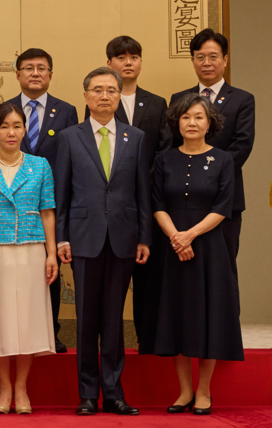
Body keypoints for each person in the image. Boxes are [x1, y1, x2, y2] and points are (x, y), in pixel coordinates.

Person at [55, 67, 151, 417]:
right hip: (82, 238)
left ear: (119, 95)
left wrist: (144, 236)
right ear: (86, 96)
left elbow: (142, 192)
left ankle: (113, 393)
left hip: (124, 238)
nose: (105, 96)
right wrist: (61, 237)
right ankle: (86, 394)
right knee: (86, 319)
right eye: (98, 90)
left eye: (112, 90)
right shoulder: (69, 137)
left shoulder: (135, 137)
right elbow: (61, 192)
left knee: (113, 318)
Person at [140, 93, 243, 415]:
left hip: (209, 247)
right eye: (186, 118)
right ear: (177, 123)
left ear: (209, 122)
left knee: (206, 316)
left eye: (199, 117)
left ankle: (203, 391)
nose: (192, 123)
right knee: (177, 316)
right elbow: (156, 204)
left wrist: (191, 235)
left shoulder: (224, 160)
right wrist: (175, 237)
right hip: (171, 248)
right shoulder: (164, 160)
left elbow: (223, 207)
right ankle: (184, 391)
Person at [0, 102, 58, 415]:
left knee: (28, 322)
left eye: (17, 125)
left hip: (32, 249)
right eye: (4, 126)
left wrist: (51, 253)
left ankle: (21, 387)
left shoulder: (41, 165)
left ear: (24, 130)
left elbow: (48, 211)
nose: (11, 132)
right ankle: (4, 387)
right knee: (0, 321)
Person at [95, 36, 170, 347]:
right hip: (107, 205)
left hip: (147, 202)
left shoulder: (156, 103)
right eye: (121, 57)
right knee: (107, 284)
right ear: (109, 62)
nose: (128, 62)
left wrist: (143, 180)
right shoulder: (99, 101)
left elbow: (164, 150)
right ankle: (106, 340)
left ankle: (147, 339)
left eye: (134, 56)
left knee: (146, 278)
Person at [168, 29, 254, 293]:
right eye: (200, 57)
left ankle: (223, 333)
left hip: (224, 200)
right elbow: (172, 146)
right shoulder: (178, 99)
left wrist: (212, 178)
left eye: (213, 56)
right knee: (184, 272)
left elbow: (242, 144)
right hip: (184, 202)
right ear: (192, 61)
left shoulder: (242, 99)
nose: (207, 62)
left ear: (225, 60)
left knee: (223, 269)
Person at [8, 47, 77, 352]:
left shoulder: (67, 110)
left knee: (49, 266)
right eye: (28, 68)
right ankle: (13, 331)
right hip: (11, 201)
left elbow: (72, 157)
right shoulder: (6, 108)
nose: (35, 73)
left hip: (51, 201)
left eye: (41, 68)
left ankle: (51, 331)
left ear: (50, 73)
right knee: (13, 268)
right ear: (18, 73)